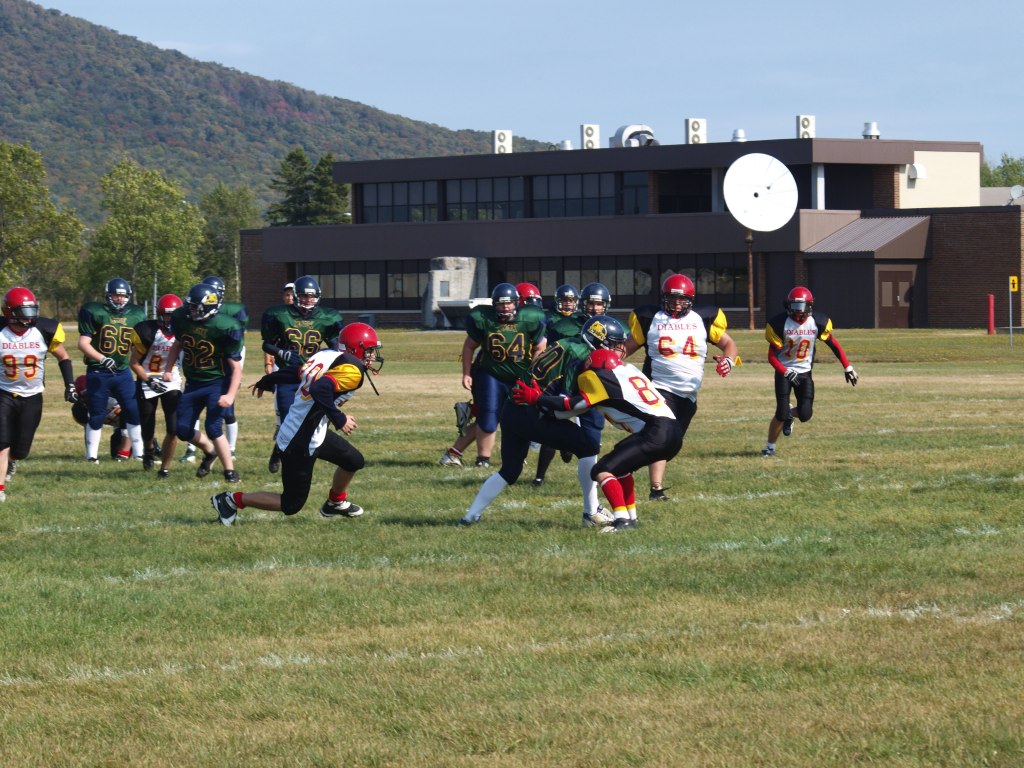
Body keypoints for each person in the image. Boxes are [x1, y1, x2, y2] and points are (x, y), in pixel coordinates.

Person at [514, 320, 683, 533]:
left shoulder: (600, 376)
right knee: (620, 469)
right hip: (672, 429)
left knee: (602, 470)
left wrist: (538, 399)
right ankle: (632, 517)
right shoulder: (630, 370)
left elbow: (574, 404)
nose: (621, 348)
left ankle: (622, 521)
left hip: (655, 431)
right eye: (616, 345)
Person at [211, 322, 384, 526]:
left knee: (354, 461)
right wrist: (340, 419)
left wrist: (268, 380)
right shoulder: (352, 371)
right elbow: (320, 390)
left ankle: (335, 503)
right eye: (369, 351)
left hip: (312, 431)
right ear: (356, 348)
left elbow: (297, 372)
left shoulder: (326, 355)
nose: (372, 356)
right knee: (291, 504)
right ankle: (231, 500)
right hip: (300, 440)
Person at [458, 314, 620, 528]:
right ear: (599, 340)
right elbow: (564, 402)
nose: (617, 350)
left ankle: (469, 517)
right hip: (534, 411)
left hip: (512, 410)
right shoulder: (582, 355)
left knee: (510, 471)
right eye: (613, 344)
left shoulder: (568, 343)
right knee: (589, 446)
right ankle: (591, 511)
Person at [624, 273, 738, 501]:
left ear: (690, 300)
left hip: (688, 393)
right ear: (663, 297)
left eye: (681, 299)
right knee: (661, 437)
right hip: (659, 387)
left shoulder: (703, 318)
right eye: (672, 298)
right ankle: (654, 488)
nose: (676, 303)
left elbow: (729, 343)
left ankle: (629, 461)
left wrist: (729, 360)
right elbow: (627, 348)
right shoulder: (650, 318)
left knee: (671, 444)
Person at [447, 282, 546, 469]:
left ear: (517, 303)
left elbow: (540, 347)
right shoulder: (484, 318)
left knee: (520, 417)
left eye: (509, 303)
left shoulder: (531, 319)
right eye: (501, 303)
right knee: (489, 417)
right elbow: (469, 346)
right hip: (491, 374)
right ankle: (482, 459)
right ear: (494, 304)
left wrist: (533, 373)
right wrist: (466, 373)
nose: (506, 307)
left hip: (520, 376)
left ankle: (514, 455)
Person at [260, 275, 345, 473]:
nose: (308, 300)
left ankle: (292, 454)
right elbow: (267, 344)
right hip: (287, 373)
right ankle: (280, 452)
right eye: (304, 296)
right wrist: (282, 353)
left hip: (311, 374)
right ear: (296, 296)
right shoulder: (280, 314)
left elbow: (336, 347)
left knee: (310, 417)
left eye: (311, 296)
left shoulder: (327, 317)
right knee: (287, 418)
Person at [761, 286, 858, 456]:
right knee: (780, 413)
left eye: (801, 307)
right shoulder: (779, 324)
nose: (797, 311)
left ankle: (790, 414)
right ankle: (770, 447)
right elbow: (771, 357)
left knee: (805, 414)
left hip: (804, 372)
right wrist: (785, 371)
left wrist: (847, 366)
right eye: (794, 306)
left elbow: (833, 344)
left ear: (809, 306)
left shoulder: (818, 322)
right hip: (784, 371)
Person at [0, 287, 77, 501]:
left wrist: (70, 385)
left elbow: (64, 357)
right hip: (4, 393)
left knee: (20, 450)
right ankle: (0, 490)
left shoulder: (44, 329)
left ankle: (13, 460)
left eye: (32, 311)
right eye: (23, 312)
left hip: (32, 396)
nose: (29, 316)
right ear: (9, 312)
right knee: (2, 443)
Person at [163, 283, 244, 482]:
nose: (190, 310)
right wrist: (168, 369)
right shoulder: (183, 319)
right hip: (193, 383)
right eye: (189, 305)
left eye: (194, 307)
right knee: (182, 430)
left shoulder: (225, 326)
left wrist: (230, 395)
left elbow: (236, 368)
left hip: (216, 382)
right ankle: (210, 452)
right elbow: (178, 344)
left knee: (213, 428)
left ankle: (230, 471)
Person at [531, 281, 609, 486]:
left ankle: (592, 480)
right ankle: (539, 476)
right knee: (553, 426)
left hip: (594, 384)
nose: (594, 308)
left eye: (599, 304)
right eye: (590, 303)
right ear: (583, 304)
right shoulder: (564, 325)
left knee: (593, 434)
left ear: (606, 305)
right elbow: (551, 354)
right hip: (565, 382)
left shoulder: (611, 326)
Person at [77, 277, 147, 463]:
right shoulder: (95, 311)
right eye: (116, 295)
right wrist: (102, 358)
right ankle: (91, 456)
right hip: (98, 371)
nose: (120, 299)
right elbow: (83, 343)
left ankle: (139, 453)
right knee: (97, 414)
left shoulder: (136, 314)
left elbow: (138, 345)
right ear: (108, 295)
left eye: (123, 296)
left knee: (133, 410)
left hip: (122, 372)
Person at [130, 293, 184, 476]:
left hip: (171, 380)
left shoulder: (184, 331)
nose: (171, 318)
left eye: (175, 314)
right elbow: (134, 363)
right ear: (160, 313)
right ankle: (149, 450)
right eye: (168, 314)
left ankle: (165, 468)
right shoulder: (147, 331)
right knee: (147, 424)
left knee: (174, 428)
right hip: (147, 378)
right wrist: (148, 380)